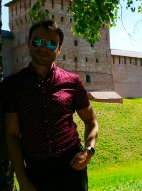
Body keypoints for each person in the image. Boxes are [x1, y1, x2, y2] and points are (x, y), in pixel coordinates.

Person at [3, 20, 98, 191]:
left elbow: (91, 121)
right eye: (37, 41)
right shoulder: (12, 85)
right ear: (28, 43)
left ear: (59, 49)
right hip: (36, 170)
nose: (43, 47)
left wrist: (88, 151)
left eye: (51, 44)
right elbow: (12, 135)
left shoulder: (72, 81)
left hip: (72, 165)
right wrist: (22, 179)